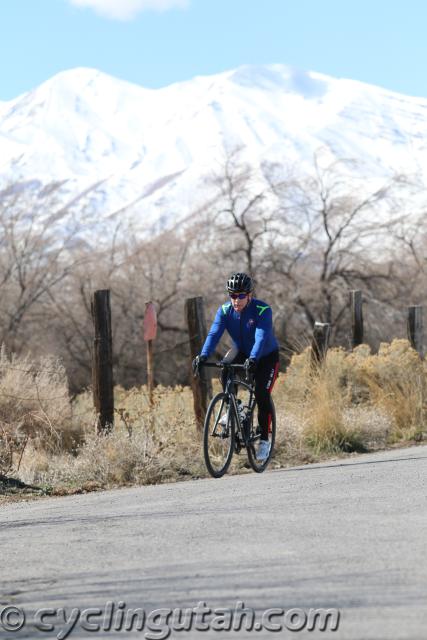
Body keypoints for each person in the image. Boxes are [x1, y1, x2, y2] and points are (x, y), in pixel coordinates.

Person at [193, 272, 280, 462]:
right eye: (232, 295)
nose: (236, 300)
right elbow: (214, 334)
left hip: (266, 356)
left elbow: (261, 336)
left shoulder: (262, 310)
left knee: (261, 394)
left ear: (249, 295)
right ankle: (234, 408)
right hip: (242, 350)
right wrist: (203, 355)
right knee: (225, 367)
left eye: (241, 296)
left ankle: (264, 440)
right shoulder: (224, 311)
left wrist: (254, 358)